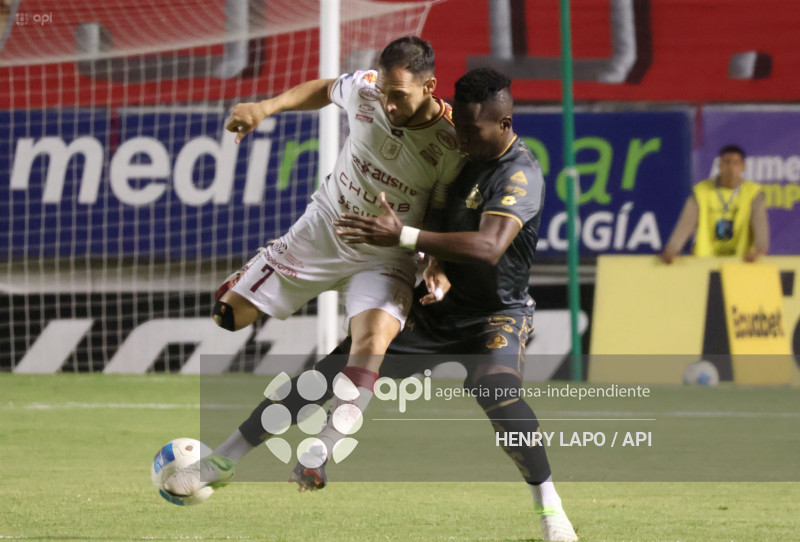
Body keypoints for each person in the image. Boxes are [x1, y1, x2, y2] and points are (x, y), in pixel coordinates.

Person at [167, 68, 578, 542]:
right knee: (325, 374)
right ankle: (222, 460)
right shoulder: (456, 153)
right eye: (459, 127)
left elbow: (489, 246)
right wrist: (432, 263)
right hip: (435, 306)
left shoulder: (519, 173)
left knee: (497, 392)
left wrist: (402, 237)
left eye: (472, 131)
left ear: (504, 124)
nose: (461, 138)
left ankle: (551, 508)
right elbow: (438, 215)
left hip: (495, 313)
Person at [165, 36, 463, 492]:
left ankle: (317, 452)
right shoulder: (367, 89)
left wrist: (433, 261)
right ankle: (265, 268)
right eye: (384, 91)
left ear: (430, 87)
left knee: (372, 343)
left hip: (384, 254)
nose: (387, 103)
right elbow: (326, 89)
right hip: (323, 228)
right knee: (228, 315)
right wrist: (266, 107)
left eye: (399, 95)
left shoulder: (448, 142)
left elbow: (441, 210)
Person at [660, 144, 769, 263]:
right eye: (727, 162)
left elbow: (759, 222)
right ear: (720, 165)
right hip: (705, 261)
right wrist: (672, 249)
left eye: (736, 163)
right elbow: (686, 222)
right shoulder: (701, 191)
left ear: (743, 167)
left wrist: (760, 249)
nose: (731, 168)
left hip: (741, 260)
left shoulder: (753, 193)